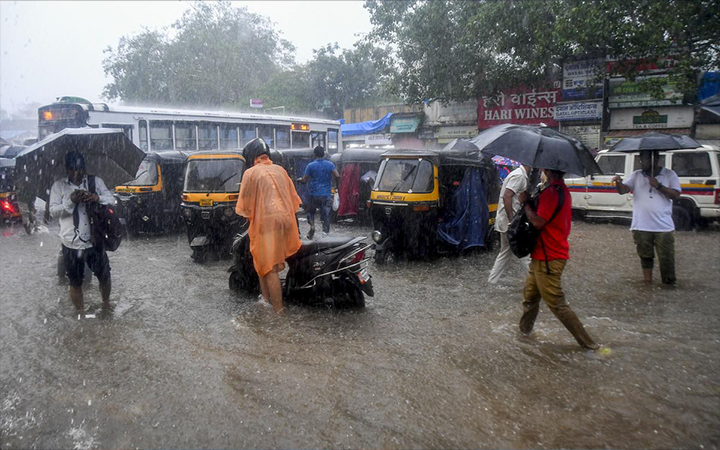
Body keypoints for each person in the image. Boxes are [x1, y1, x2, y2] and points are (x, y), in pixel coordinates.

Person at [517, 168, 599, 350]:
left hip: (549, 257)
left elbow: (538, 222)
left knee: (557, 304)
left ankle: (590, 345)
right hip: (543, 255)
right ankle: (523, 335)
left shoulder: (552, 193)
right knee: (529, 298)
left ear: (547, 170)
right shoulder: (559, 189)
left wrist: (525, 204)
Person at [235, 138, 302, 315]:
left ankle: (278, 312)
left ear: (250, 156)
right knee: (262, 261)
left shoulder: (250, 173)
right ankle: (265, 300)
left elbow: (245, 204)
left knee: (270, 267)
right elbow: (293, 198)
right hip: (286, 219)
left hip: (267, 221)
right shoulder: (280, 170)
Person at [49, 152, 114, 317]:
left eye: (79, 170)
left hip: (95, 240)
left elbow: (111, 199)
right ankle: (81, 313)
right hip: (70, 243)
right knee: (75, 282)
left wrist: (95, 197)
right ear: (67, 169)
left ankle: (106, 305)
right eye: (72, 170)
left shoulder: (95, 182)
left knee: (104, 276)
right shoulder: (58, 186)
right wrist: (70, 201)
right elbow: (53, 212)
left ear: (84, 168)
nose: (76, 173)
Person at [612, 150, 681, 285]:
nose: (643, 162)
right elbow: (623, 190)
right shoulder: (636, 175)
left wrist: (659, 186)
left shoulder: (669, 174)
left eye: (646, 159)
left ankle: (669, 284)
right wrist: (618, 183)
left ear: (656, 159)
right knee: (645, 256)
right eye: (642, 160)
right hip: (641, 225)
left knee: (666, 258)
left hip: (664, 226)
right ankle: (647, 283)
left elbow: (676, 195)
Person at [488, 164, 532, 284]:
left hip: (507, 222)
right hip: (511, 223)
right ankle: (536, 285)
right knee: (524, 254)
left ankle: (492, 281)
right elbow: (507, 196)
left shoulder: (518, 174)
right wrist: (511, 220)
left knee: (505, 253)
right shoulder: (519, 176)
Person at [297, 146, 339, 239]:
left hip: (313, 194)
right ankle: (325, 234)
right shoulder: (330, 165)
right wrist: (336, 185)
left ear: (314, 154)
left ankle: (312, 226)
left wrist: (299, 180)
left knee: (310, 212)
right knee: (326, 214)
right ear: (323, 154)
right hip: (326, 194)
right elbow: (337, 175)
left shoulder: (310, 166)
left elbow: (304, 180)